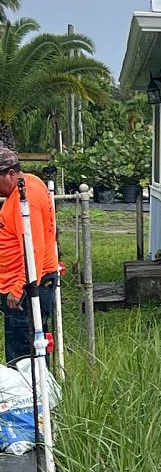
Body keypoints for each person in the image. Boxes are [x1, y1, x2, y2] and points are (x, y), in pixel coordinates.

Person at [0, 146, 58, 364]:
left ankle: (29, 396)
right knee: (33, 346)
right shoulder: (30, 182)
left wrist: (19, 289)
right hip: (21, 283)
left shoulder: (27, 199)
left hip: (25, 289)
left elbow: (34, 248)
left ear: (11, 174)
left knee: (24, 358)